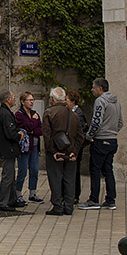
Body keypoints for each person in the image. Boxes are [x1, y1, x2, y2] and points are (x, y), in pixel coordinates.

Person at [79, 78, 123, 211]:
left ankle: (94, 200)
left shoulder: (100, 101)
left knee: (95, 170)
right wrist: (112, 132)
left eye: (93, 87)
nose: (92, 90)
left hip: (100, 140)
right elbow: (120, 122)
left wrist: (89, 136)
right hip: (112, 140)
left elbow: (96, 121)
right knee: (108, 170)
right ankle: (110, 200)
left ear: (100, 88)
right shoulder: (116, 102)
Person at [41, 86, 81, 215]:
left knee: (55, 178)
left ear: (52, 99)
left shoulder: (49, 113)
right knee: (69, 179)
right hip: (70, 152)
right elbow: (80, 136)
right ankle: (69, 206)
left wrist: (52, 151)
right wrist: (74, 151)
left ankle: (57, 205)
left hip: (56, 152)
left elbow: (47, 135)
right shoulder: (74, 115)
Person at [0, 90, 24, 211]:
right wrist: (18, 135)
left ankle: (12, 199)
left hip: (8, 148)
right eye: (13, 98)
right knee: (7, 176)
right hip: (7, 148)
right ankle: (3, 202)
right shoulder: (5, 114)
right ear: (8, 99)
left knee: (11, 176)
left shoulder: (4, 112)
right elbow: (9, 132)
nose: (14, 100)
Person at [13, 91, 43, 205]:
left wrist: (31, 129)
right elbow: (27, 126)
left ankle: (32, 193)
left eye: (32, 100)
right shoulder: (19, 114)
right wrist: (33, 123)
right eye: (29, 100)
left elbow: (40, 130)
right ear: (22, 101)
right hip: (24, 148)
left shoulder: (35, 113)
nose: (31, 102)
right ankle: (18, 193)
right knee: (22, 171)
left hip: (35, 146)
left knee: (34, 170)